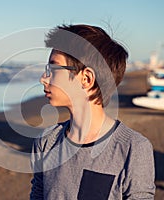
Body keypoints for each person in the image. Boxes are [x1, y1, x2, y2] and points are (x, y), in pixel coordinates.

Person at [30, 24, 155, 199]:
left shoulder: (132, 148)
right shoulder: (46, 142)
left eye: (53, 69)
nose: (43, 78)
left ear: (87, 79)